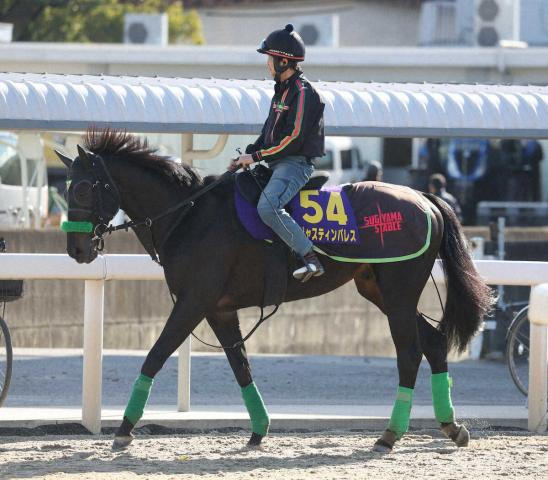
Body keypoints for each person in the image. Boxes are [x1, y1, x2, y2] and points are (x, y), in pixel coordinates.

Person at [229, 24, 326, 282]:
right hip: (276, 162)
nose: (268, 64)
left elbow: (293, 139)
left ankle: (310, 259)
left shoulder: (304, 93)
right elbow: (267, 134)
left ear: (284, 61)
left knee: (269, 207)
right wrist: (247, 155)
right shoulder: (280, 92)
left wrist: (258, 157)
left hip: (294, 164)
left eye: (270, 59)